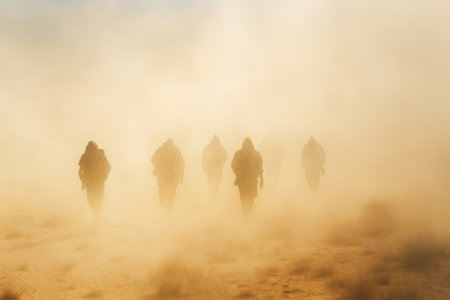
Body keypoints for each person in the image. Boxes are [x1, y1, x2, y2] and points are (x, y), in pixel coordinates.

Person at [231, 137, 264, 215]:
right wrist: (238, 172)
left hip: (252, 179)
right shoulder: (239, 153)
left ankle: (247, 212)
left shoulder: (256, 154)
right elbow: (233, 165)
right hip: (242, 179)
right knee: (244, 196)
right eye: (246, 144)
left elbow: (260, 167)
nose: (247, 146)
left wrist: (262, 179)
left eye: (249, 144)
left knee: (250, 197)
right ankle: (246, 212)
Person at [78, 141, 111, 218]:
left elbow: (108, 168)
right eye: (89, 150)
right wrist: (83, 181)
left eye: (92, 150)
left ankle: (97, 220)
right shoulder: (85, 156)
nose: (91, 152)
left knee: (97, 201)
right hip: (91, 182)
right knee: (93, 202)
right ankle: (97, 218)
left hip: (97, 182)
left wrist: (103, 176)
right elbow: (80, 171)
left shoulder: (100, 156)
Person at [151, 138, 185, 210]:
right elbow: (182, 163)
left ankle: (166, 207)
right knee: (168, 192)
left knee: (163, 191)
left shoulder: (162, 150)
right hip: (169, 176)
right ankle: (167, 208)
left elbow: (152, 159)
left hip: (167, 176)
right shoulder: (175, 150)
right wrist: (181, 176)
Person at [202, 135, 227, 199]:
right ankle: (210, 193)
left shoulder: (221, 148)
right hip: (210, 167)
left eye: (217, 141)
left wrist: (221, 163)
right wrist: (204, 165)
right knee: (210, 181)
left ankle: (215, 194)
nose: (216, 143)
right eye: (215, 141)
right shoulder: (208, 148)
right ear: (212, 141)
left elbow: (225, 156)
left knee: (217, 181)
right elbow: (203, 157)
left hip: (218, 168)